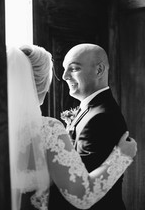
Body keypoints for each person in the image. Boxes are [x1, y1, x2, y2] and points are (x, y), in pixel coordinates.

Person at [7, 45, 137, 210]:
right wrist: (122, 156)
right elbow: (82, 193)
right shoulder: (48, 128)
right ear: (42, 82)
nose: (63, 76)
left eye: (73, 68)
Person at [61, 43, 134, 210]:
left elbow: (82, 184)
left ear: (99, 70)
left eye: (73, 68)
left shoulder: (101, 117)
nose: (64, 76)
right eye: (64, 69)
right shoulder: (89, 109)